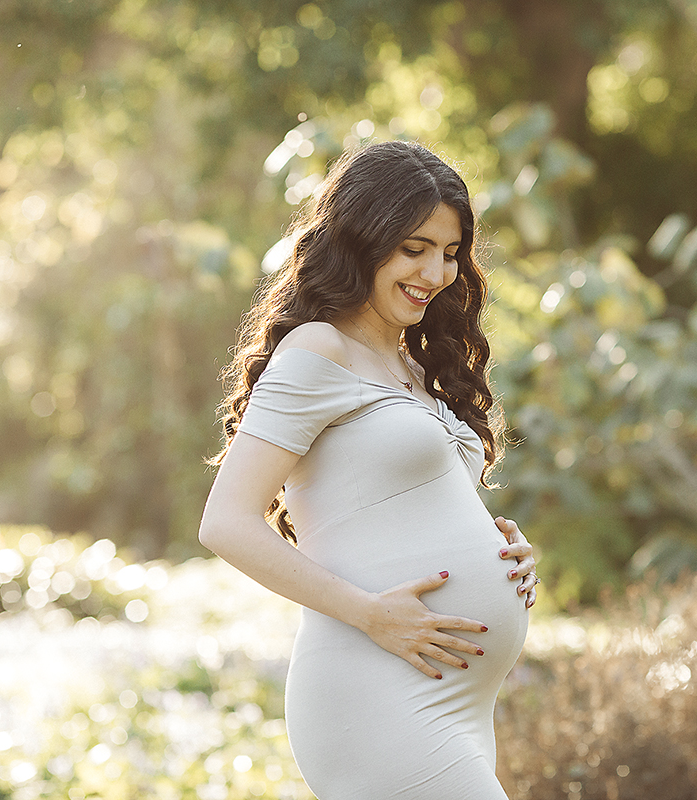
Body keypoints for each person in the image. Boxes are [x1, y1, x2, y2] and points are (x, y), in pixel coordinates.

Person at [198, 139, 538, 799]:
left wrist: (504, 551)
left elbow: (408, 509)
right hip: (375, 687)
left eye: (449, 252)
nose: (435, 272)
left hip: (453, 703)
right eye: (414, 248)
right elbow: (225, 522)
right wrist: (370, 613)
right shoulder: (320, 350)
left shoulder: (418, 367)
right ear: (360, 239)